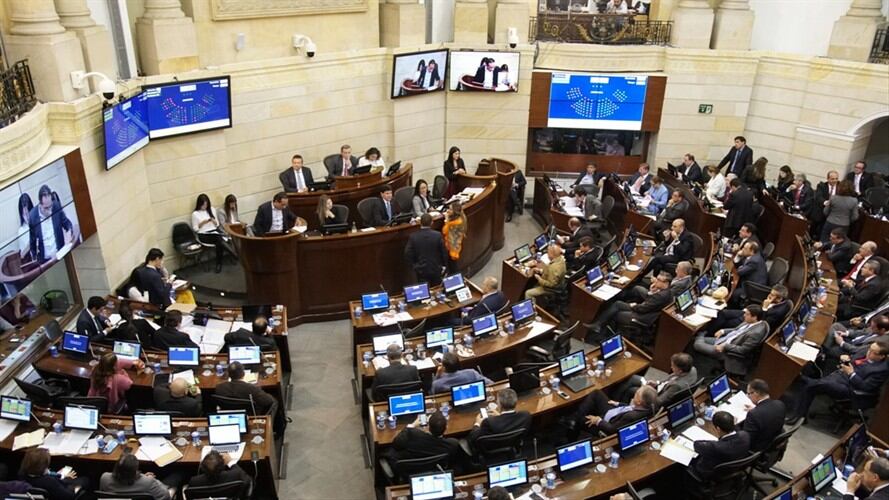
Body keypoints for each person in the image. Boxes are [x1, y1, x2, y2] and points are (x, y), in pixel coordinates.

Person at [786, 340, 889, 424]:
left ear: (881, 356)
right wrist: (846, 359)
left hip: (851, 390)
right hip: (841, 377)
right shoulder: (866, 354)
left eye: (873, 352)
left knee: (812, 385)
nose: (868, 352)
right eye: (869, 349)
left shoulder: (880, 370)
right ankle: (800, 415)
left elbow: (865, 387)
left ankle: (798, 417)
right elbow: (853, 359)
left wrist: (851, 374)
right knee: (814, 385)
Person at [587, 271, 673, 339]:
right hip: (647, 311)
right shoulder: (667, 292)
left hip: (642, 317)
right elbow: (650, 302)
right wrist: (652, 291)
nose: (655, 280)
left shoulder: (661, 296)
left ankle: (604, 333)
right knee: (618, 304)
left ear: (665, 283)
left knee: (616, 312)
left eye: (658, 280)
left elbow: (643, 309)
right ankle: (598, 325)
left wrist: (634, 306)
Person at [693, 305, 769, 374]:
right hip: (725, 339)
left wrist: (725, 346)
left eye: (747, 314)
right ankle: (700, 334)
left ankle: (701, 334)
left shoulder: (755, 334)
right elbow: (736, 330)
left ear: (754, 317)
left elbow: (743, 350)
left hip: (726, 351)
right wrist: (723, 331)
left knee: (697, 344)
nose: (744, 315)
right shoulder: (751, 322)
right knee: (699, 338)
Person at [569, 385, 657, 439]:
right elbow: (631, 407)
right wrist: (618, 404)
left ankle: (572, 430)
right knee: (597, 393)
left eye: (637, 394)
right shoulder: (649, 406)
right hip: (615, 411)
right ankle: (575, 417)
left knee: (582, 420)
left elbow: (612, 430)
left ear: (639, 401)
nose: (635, 394)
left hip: (606, 424)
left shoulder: (630, 417)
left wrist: (598, 421)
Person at [614, 353, 698, 408]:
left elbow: (658, 402)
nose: (671, 367)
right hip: (658, 387)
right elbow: (669, 380)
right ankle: (617, 399)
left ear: (680, 370)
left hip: (654, 395)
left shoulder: (676, 387)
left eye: (673, 366)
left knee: (630, 390)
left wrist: (646, 390)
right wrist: (657, 383)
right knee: (633, 378)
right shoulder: (692, 369)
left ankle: (618, 405)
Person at [390, 411, 464, 472]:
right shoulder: (452, 444)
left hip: (411, 471)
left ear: (428, 427)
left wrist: (412, 425)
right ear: (446, 428)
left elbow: (396, 445)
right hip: (434, 470)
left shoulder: (413, 436)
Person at [687, 411, 750, 481]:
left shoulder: (716, 447)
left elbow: (697, 444)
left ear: (718, 429)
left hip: (708, 474)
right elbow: (737, 429)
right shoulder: (745, 435)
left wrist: (712, 442)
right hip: (733, 469)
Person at [707, 285, 791, 336]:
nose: (769, 295)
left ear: (779, 299)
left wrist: (765, 308)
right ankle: (710, 332)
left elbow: (762, 324)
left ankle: (709, 335)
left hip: (750, 321)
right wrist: (749, 309)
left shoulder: (777, 312)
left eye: (772, 295)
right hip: (750, 313)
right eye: (770, 293)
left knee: (726, 322)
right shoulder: (776, 302)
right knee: (722, 312)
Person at [28, 184, 74, 264]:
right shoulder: (32, 216)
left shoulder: (56, 206)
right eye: (46, 208)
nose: (50, 211)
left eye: (50, 207)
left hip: (59, 255)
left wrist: (69, 232)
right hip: (44, 261)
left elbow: (67, 224)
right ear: (40, 205)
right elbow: (32, 241)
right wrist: (34, 257)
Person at [19, 448, 89, 500]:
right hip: (63, 493)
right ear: (43, 467)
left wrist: (57, 475)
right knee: (85, 480)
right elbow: (70, 496)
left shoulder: (21, 474)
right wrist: (77, 487)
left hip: (53, 488)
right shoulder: (49, 481)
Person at [100, 453, 177, 500]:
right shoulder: (148, 482)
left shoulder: (104, 478)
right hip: (154, 487)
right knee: (178, 475)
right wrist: (152, 480)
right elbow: (166, 496)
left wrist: (144, 477)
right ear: (135, 469)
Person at [823, 315, 889, 370]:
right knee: (836, 326)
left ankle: (823, 352)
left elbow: (857, 350)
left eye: (873, 327)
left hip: (850, 350)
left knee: (832, 350)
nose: (871, 328)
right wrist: (846, 333)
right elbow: (862, 332)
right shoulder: (876, 327)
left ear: (882, 330)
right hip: (852, 339)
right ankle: (824, 349)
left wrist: (842, 343)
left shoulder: (881, 342)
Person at [192, 193, 234, 273]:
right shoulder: (195, 214)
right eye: (203, 205)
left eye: (206, 205)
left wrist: (213, 221)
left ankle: (219, 264)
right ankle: (233, 254)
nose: (205, 207)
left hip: (214, 232)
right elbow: (195, 229)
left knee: (219, 241)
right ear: (199, 204)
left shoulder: (211, 209)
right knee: (219, 239)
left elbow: (217, 224)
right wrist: (202, 223)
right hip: (203, 234)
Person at [742, 379, 786, 452]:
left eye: (749, 393)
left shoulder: (754, 414)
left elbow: (746, 441)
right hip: (770, 442)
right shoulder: (780, 404)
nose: (748, 396)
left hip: (756, 449)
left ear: (756, 393)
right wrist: (757, 408)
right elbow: (767, 412)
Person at [404, 213, 447, 285]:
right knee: (437, 289)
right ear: (432, 223)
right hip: (436, 268)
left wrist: (414, 265)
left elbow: (407, 253)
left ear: (420, 223)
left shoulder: (413, 237)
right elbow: (443, 252)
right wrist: (443, 265)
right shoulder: (437, 235)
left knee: (424, 292)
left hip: (421, 270)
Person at [188, 450, 253, 490]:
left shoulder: (194, 482)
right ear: (223, 466)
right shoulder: (235, 476)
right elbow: (248, 481)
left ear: (202, 467)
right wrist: (231, 462)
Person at [732, 241, 767, 305]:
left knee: (733, 292)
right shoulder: (752, 256)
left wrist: (741, 267)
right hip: (748, 281)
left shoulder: (754, 261)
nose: (742, 250)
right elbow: (739, 265)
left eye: (745, 249)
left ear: (751, 251)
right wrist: (738, 256)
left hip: (753, 288)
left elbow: (739, 272)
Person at [443, 200, 466, 271]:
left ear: (454, 211)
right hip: (454, 247)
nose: (448, 210)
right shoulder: (459, 218)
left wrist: (446, 220)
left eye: (450, 209)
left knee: (453, 268)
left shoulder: (455, 222)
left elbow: (444, 231)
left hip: (452, 249)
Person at [16, 193, 33, 258]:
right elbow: (22, 255)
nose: (27, 217)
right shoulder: (21, 230)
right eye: (24, 214)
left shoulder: (39, 220)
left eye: (28, 212)